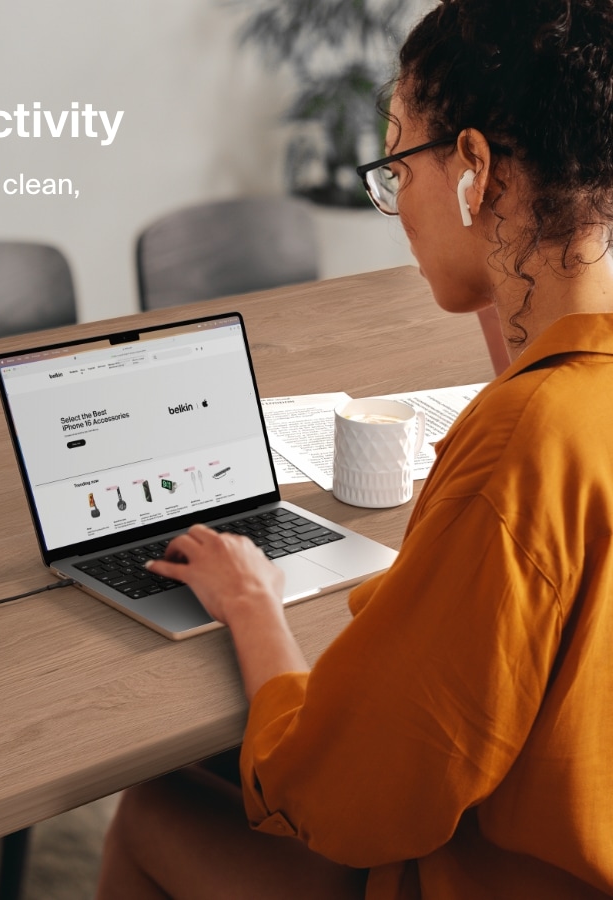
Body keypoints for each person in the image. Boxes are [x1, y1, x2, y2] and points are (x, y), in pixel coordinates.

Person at [95, 0, 613, 897]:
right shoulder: (568, 399)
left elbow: (354, 804)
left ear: (474, 170)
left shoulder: (526, 442)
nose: (394, 206)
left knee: (154, 809)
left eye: (396, 162)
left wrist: (253, 607)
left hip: (495, 878)